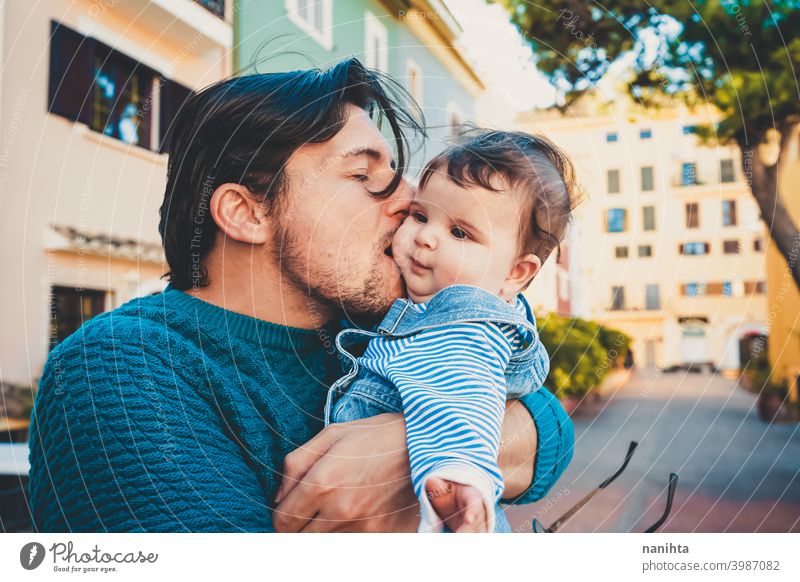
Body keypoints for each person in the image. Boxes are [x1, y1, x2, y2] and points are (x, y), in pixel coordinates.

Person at [28, 58, 574, 532]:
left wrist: (404, 448)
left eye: (399, 173)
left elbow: (548, 424)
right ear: (248, 213)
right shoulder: (122, 369)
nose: (409, 201)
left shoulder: (360, 333)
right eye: (364, 174)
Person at [323, 130, 577, 533]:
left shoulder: (464, 323)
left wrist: (459, 473)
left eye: (460, 233)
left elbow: (460, 395)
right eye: (421, 215)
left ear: (516, 272)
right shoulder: (423, 308)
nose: (425, 236)